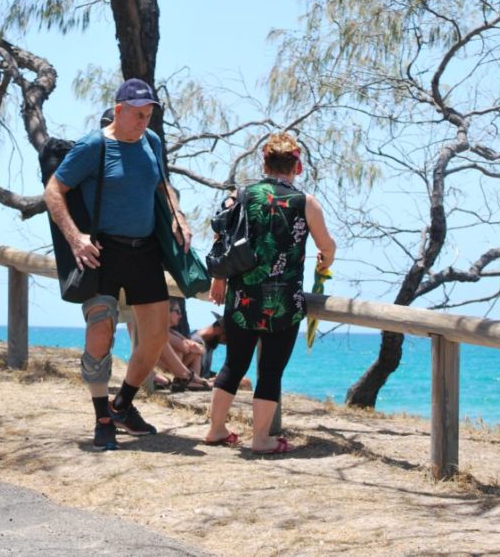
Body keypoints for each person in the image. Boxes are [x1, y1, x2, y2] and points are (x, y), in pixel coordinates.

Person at [44, 78, 192, 451]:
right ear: (121, 109)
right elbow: (53, 190)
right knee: (100, 333)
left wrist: (178, 217)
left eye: (149, 115)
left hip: (144, 251)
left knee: (156, 336)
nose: (144, 122)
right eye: (138, 115)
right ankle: (102, 418)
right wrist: (76, 238)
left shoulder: (152, 143)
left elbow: (163, 187)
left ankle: (123, 404)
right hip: (102, 250)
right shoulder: (94, 145)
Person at [205, 131, 336, 454]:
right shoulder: (305, 203)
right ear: (298, 167)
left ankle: (215, 429)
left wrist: (218, 278)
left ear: (264, 162)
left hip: (241, 297)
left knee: (233, 365)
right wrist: (325, 261)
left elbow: (222, 237)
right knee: (271, 370)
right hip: (283, 301)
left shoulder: (243, 195)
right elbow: (327, 246)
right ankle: (261, 439)